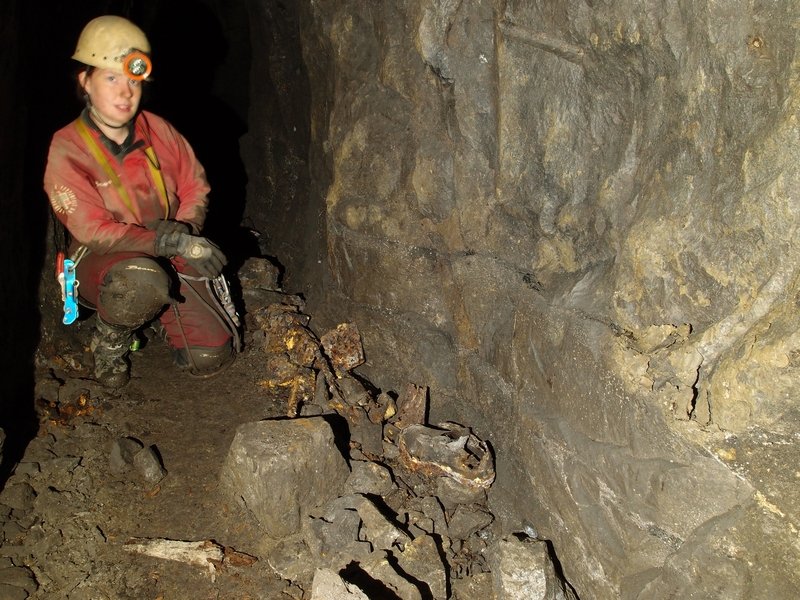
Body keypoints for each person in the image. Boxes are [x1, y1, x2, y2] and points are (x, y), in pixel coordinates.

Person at [44, 15, 237, 388]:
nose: (125, 92)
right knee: (141, 280)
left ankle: (158, 310)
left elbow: (195, 185)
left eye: (133, 81)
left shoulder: (159, 130)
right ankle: (110, 340)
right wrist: (166, 241)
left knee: (209, 356)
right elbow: (93, 230)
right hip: (105, 260)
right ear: (85, 82)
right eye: (111, 78)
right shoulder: (67, 148)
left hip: (168, 245)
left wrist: (186, 230)